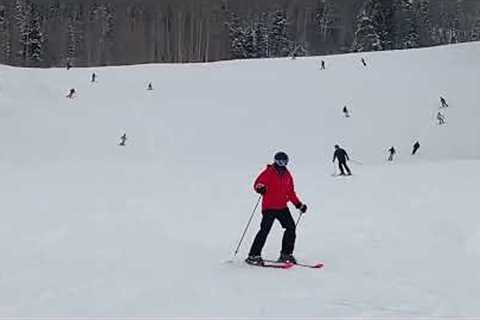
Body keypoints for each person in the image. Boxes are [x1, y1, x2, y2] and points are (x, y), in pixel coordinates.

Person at [246, 152, 308, 266]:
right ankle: (253, 255)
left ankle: (286, 254)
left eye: (284, 161)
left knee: (291, 228)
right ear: (275, 161)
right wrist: (260, 188)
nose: (281, 163)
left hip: (282, 207)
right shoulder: (269, 172)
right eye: (279, 161)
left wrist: (299, 204)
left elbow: (290, 192)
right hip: (269, 207)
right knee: (264, 230)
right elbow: (258, 183)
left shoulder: (287, 175)